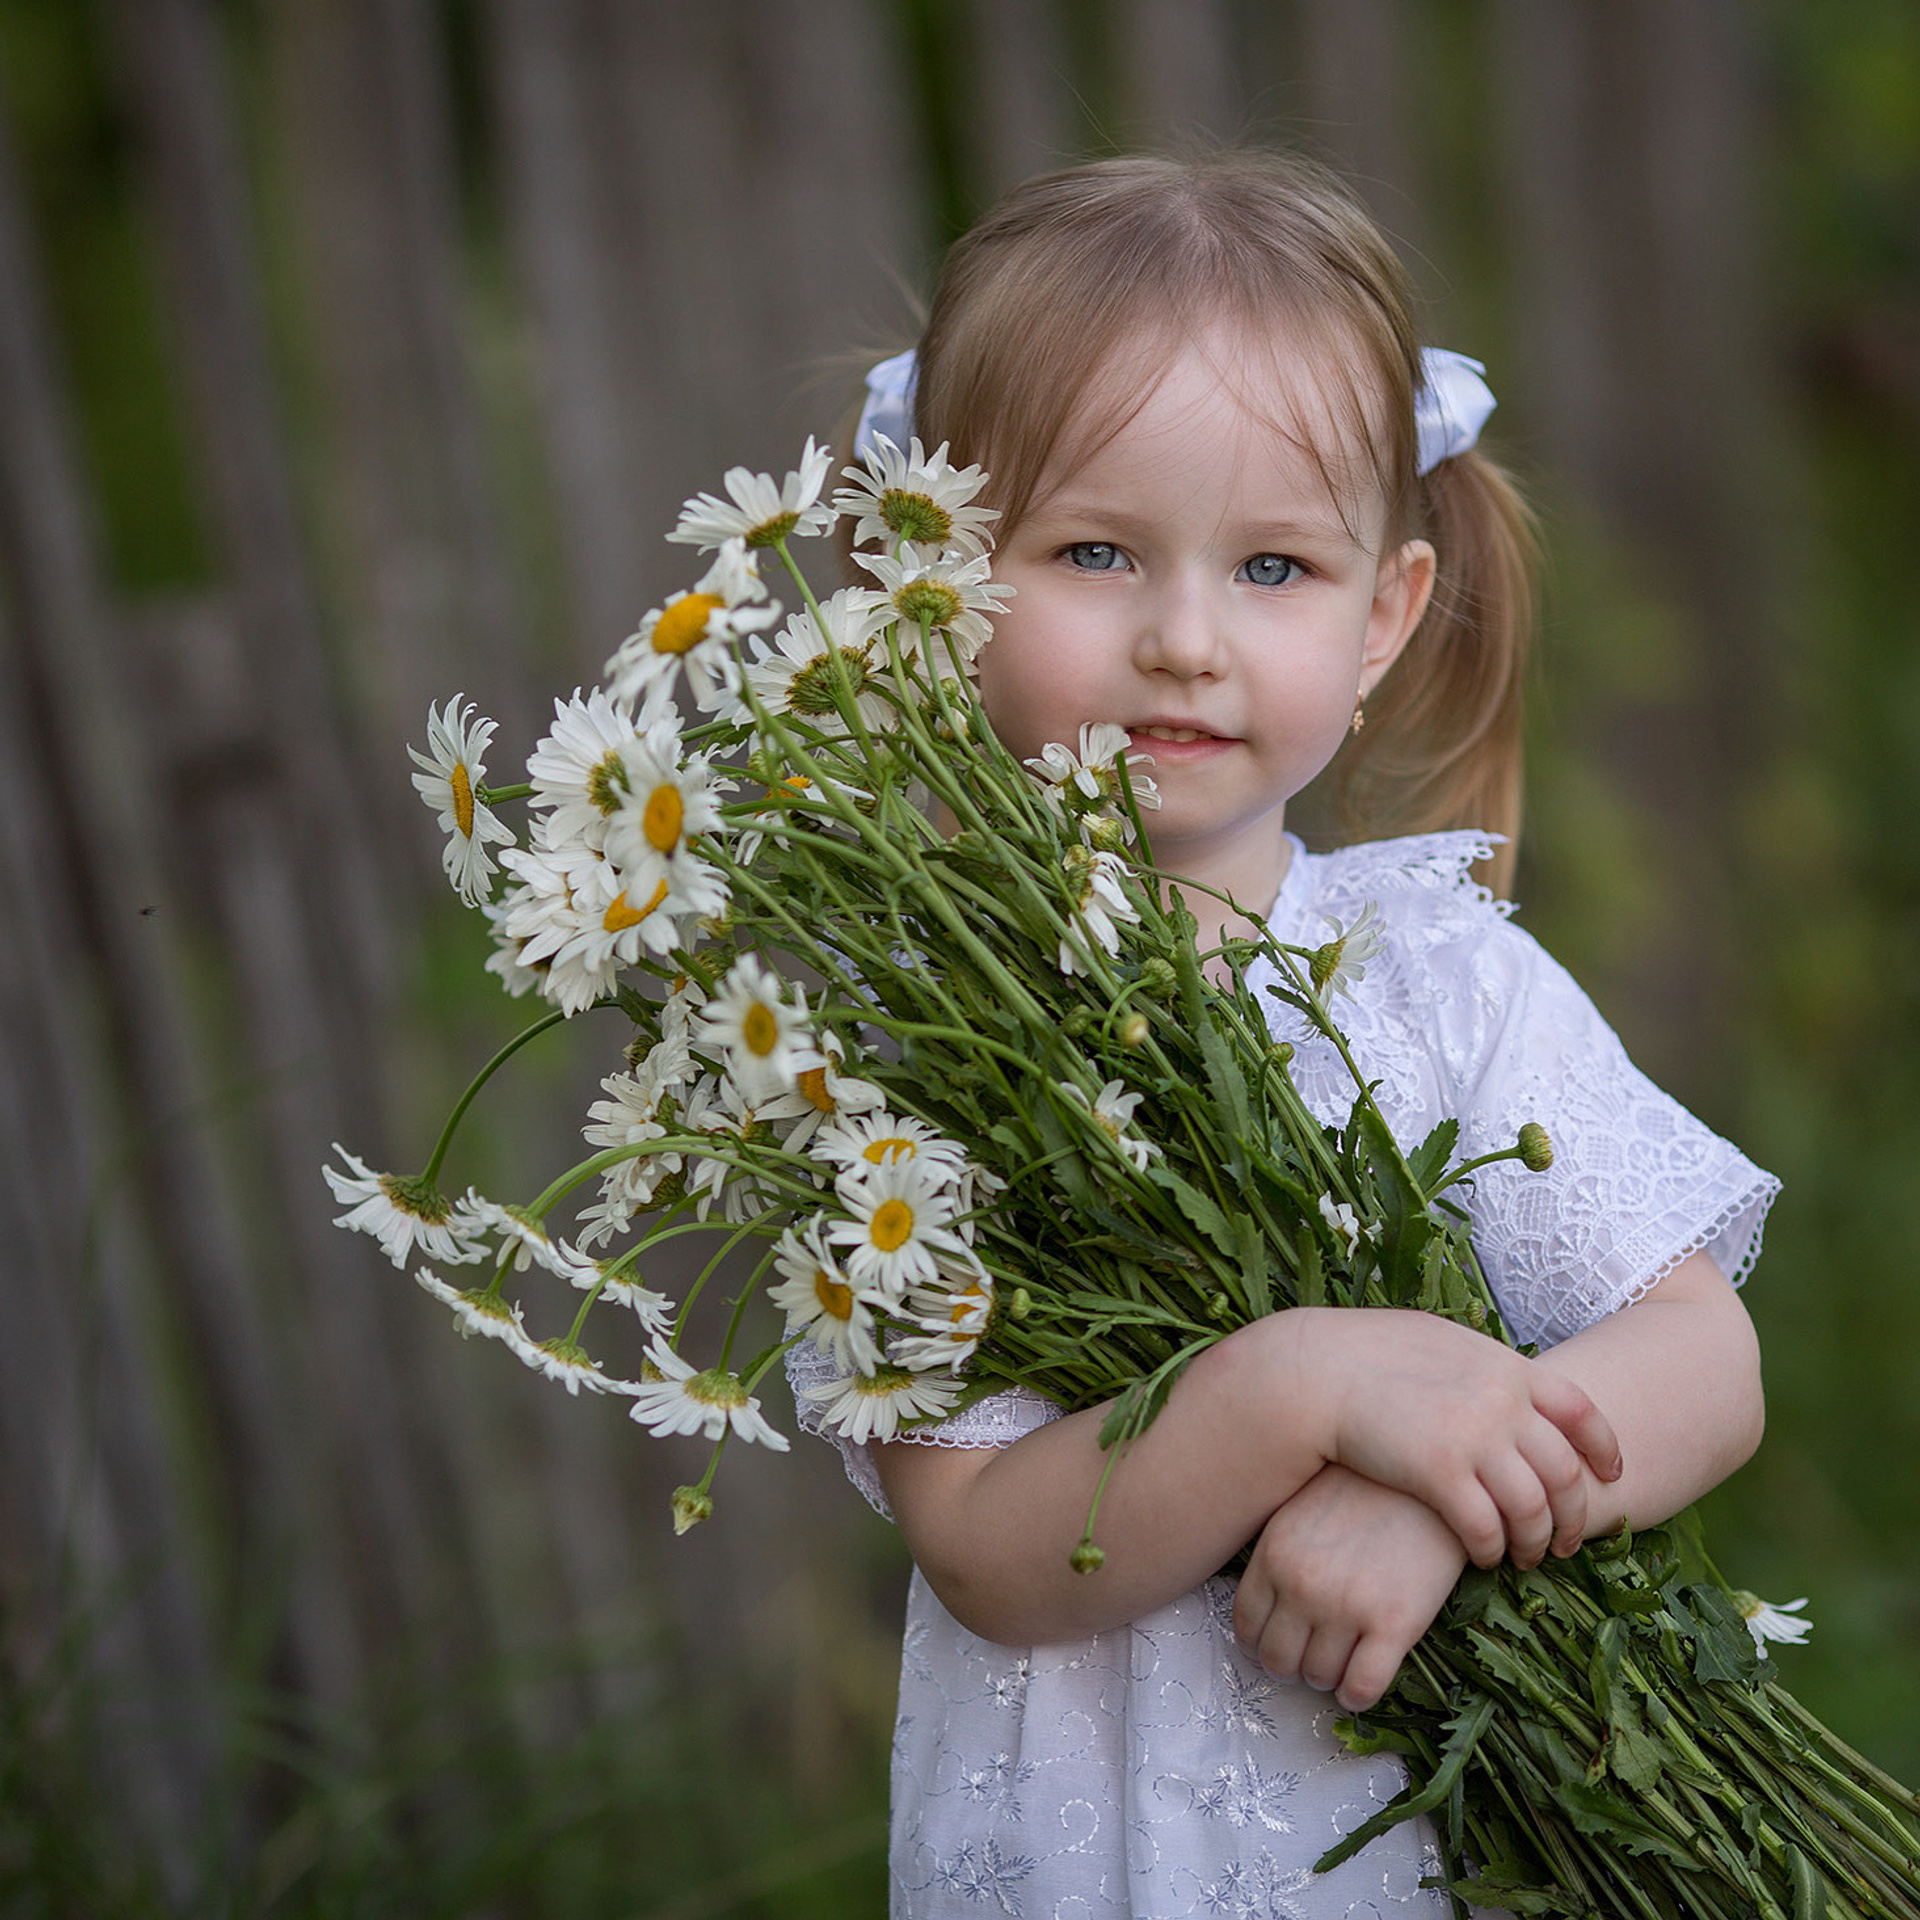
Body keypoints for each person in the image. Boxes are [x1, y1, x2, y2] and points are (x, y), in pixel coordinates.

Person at [785, 149, 1777, 1917]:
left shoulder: (1439, 979)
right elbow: (998, 1546)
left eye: (1272, 568)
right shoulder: (893, 1050)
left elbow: (1703, 1364)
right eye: (1095, 551)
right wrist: (1305, 1385)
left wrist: (1443, 1494)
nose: (1184, 640)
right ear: (929, 577)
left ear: (1384, 614)